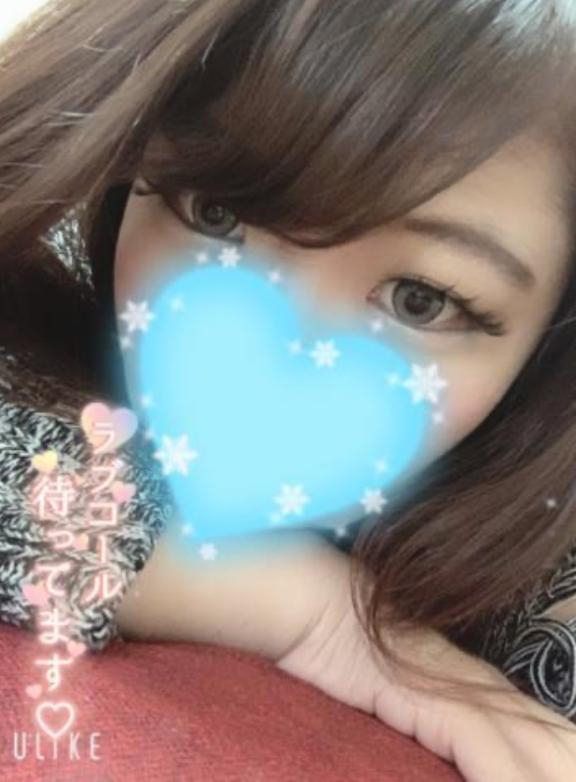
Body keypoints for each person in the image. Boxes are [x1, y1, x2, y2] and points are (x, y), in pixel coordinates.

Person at [2, 0, 576, 777]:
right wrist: (318, 614)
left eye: (420, 300)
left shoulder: (539, 536)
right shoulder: (56, 275)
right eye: (215, 215)